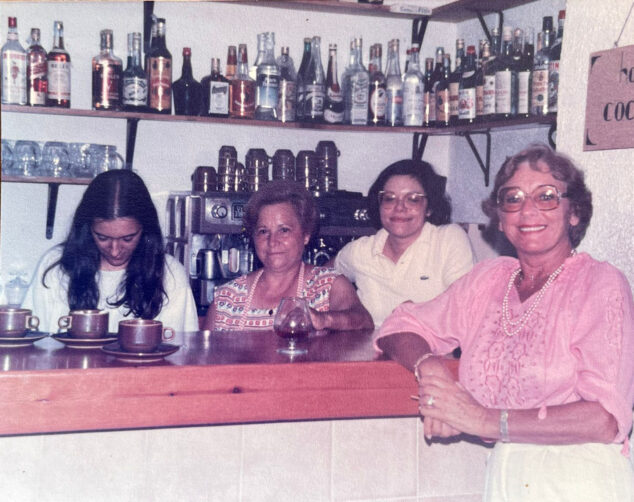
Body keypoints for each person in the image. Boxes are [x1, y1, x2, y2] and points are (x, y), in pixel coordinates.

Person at [376, 144, 634, 501]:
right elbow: (400, 325)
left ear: (573, 212)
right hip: (507, 475)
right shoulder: (489, 280)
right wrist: (431, 370)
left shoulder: (600, 284)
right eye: (512, 198)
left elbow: (605, 419)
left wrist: (481, 419)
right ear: (500, 217)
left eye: (546, 196)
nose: (527, 210)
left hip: (579, 479)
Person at [23, 169, 199, 334]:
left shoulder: (170, 274)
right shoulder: (56, 267)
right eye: (103, 238)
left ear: (145, 229)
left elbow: (182, 352)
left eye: (127, 239)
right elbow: (34, 343)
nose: (115, 251)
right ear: (87, 228)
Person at [204, 180, 373, 332]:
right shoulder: (227, 299)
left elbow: (364, 321)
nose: (272, 241)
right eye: (263, 231)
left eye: (284, 230)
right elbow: (204, 360)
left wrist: (324, 319)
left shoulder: (327, 286)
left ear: (305, 234)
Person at [334, 159, 474, 325]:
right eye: (389, 199)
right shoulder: (361, 251)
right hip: (368, 350)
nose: (399, 207)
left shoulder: (449, 240)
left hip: (431, 350)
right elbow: (321, 277)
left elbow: (465, 310)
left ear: (429, 207)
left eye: (413, 199)